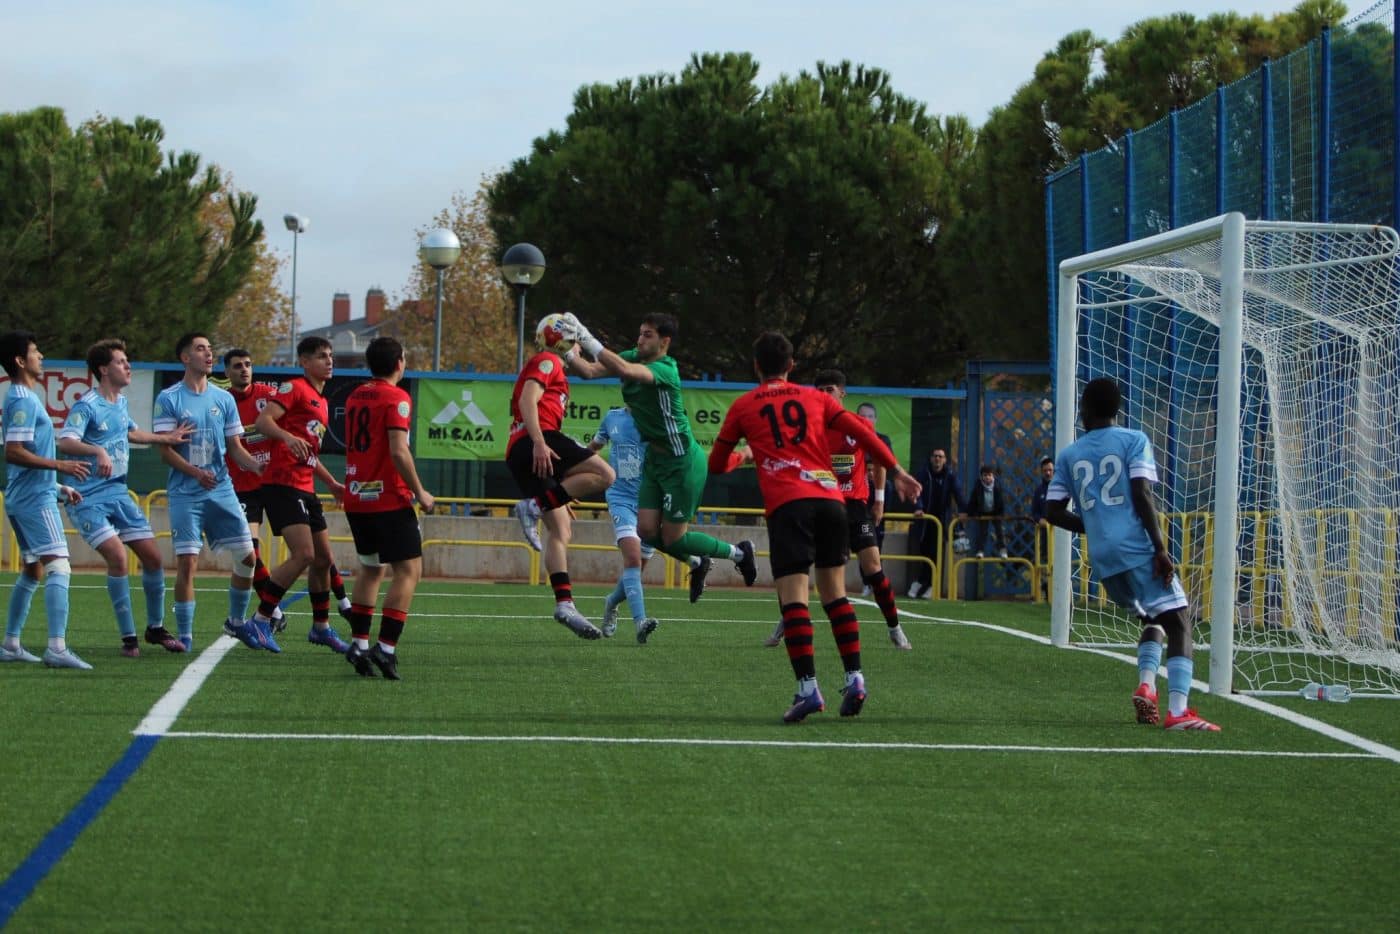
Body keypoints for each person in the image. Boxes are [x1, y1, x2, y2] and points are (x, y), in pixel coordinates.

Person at [710, 332, 921, 723]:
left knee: (794, 598)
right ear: (792, 366)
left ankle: (808, 688)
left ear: (756, 366)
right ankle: (855, 677)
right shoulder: (818, 398)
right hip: (831, 503)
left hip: (789, 506)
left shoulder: (743, 406)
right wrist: (897, 472)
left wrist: (742, 457)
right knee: (835, 594)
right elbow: (865, 434)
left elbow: (716, 464)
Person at [1044, 377, 1219, 732]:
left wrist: (1092, 527)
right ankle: (1179, 711)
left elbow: (1052, 510)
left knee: (1153, 618)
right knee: (1181, 619)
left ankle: (1147, 686)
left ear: (1084, 411)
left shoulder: (1069, 454)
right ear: (1117, 409)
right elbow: (1142, 494)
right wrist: (1160, 549)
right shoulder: (1133, 440)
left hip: (1104, 560)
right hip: (1135, 548)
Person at [560, 313, 758, 595]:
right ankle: (703, 560)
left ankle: (739, 553)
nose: (640, 339)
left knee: (674, 538)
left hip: (682, 463)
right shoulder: (633, 356)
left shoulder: (667, 370)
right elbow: (589, 371)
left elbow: (627, 372)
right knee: (646, 530)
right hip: (655, 460)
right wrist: (563, 349)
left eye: (648, 335)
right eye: (640, 333)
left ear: (665, 342)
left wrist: (584, 335)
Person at [57, 339, 191, 657]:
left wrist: (165, 438)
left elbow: (131, 433)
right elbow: (66, 441)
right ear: (104, 369)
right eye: (121, 361)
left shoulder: (120, 402)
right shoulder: (87, 405)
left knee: (154, 558)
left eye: (127, 361)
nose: (128, 366)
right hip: (86, 496)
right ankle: (128, 639)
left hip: (117, 491)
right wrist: (97, 450)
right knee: (118, 558)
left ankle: (155, 628)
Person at [763, 371, 911, 650]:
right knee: (797, 566)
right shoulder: (808, 426)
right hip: (820, 505)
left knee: (873, 567)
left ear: (842, 393)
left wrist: (879, 499)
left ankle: (895, 627)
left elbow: (880, 459)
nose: (823, 394)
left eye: (829, 389)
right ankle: (787, 621)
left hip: (855, 506)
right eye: (818, 389)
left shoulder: (857, 424)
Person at [223, 349, 354, 634]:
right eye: (237, 366)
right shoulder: (224, 403)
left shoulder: (273, 393)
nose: (243, 370)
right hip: (246, 488)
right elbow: (259, 432)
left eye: (248, 364)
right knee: (250, 554)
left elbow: (299, 443)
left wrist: (330, 481)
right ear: (227, 372)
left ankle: (341, 606)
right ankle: (268, 614)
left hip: (282, 482)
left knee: (318, 553)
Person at [151, 332, 264, 651]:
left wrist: (255, 466)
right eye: (200, 349)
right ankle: (185, 636)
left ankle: (237, 621)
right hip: (186, 493)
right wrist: (195, 473)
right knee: (188, 563)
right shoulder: (169, 398)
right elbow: (165, 451)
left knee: (247, 556)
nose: (208, 354)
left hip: (221, 489)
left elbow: (235, 448)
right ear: (186, 358)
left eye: (210, 349)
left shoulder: (224, 399)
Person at [508, 316, 615, 639]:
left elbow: (593, 370)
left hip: (526, 449)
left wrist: (561, 494)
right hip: (536, 441)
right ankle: (534, 505)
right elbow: (528, 400)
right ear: (565, 340)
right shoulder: (548, 360)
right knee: (605, 474)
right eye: (575, 339)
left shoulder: (554, 361)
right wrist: (539, 442)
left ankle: (564, 602)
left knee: (561, 528)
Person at [340, 337, 435, 680]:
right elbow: (398, 450)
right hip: (387, 498)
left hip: (356, 495)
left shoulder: (354, 396)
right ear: (399, 362)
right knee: (409, 571)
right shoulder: (398, 398)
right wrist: (420, 491)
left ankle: (359, 645)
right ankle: (387, 648)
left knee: (371, 569)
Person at [1, 331, 93, 669]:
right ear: (20, 361)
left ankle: (10, 644)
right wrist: (60, 466)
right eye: (36, 352)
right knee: (60, 566)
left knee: (33, 569)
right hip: (32, 502)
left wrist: (57, 486)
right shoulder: (23, 401)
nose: (42, 356)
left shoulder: (22, 397)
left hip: (30, 495)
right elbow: (14, 453)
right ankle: (56, 647)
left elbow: (24, 456)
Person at [908, 448, 964, 599]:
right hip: (925, 521)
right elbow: (916, 491)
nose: (938, 459)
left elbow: (958, 493)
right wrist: (918, 508)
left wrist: (963, 510)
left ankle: (931, 586)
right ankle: (921, 582)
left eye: (941, 457)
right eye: (935, 456)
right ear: (931, 458)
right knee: (924, 552)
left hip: (941, 521)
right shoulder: (923, 473)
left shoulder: (950, 475)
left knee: (936, 554)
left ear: (945, 460)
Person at [856, 401, 895, 554]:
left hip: (876, 491)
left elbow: (889, 464)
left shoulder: (883, 439)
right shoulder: (849, 438)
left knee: (874, 545)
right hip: (855, 490)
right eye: (862, 416)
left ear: (876, 420)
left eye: (870, 416)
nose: (866, 419)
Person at [966, 464, 1007, 559]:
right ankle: (980, 551)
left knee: (999, 531)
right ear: (981, 477)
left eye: (989, 475)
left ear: (993, 476)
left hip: (995, 512)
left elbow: (1001, 501)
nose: (987, 477)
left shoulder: (997, 486)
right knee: (982, 532)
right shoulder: (978, 487)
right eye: (985, 475)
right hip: (983, 512)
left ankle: (1002, 550)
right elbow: (973, 501)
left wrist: (1000, 513)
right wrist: (972, 512)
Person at [1030, 456, 1055, 596]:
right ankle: (1045, 589)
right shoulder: (1039, 490)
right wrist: (1039, 520)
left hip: (1060, 532)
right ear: (1041, 472)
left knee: (1061, 562)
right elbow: (1034, 512)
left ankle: (1063, 593)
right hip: (1045, 534)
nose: (1048, 473)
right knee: (1045, 560)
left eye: (1050, 470)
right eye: (1045, 470)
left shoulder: (1061, 487)